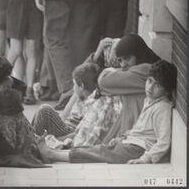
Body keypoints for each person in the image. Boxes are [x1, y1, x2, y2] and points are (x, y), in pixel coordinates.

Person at [38, 60, 177, 164]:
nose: (150, 87)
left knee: (97, 153)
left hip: (138, 149)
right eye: (149, 81)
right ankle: (52, 152)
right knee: (97, 150)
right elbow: (143, 130)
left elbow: (164, 141)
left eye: (157, 85)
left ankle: (52, 154)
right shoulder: (150, 100)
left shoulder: (162, 108)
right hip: (130, 143)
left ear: (167, 90)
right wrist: (125, 136)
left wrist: (145, 159)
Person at [98, 34, 161, 143]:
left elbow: (103, 81)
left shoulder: (147, 70)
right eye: (120, 60)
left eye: (127, 58)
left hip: (141, 135)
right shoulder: (151, 67)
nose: (123, 65)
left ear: (138, 54)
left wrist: (109, 70)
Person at [32, 62, 102, 137]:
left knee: (45, 110)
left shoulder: (92, 105)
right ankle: (31, 137)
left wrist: (57, 140)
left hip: (70, 132)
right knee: (38, 114)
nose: (73, 88)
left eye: (74, 84)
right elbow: (64, 116)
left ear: (81, 86)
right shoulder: (81, 97)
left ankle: (32, 143)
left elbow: (79, 133)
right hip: (65, 126)